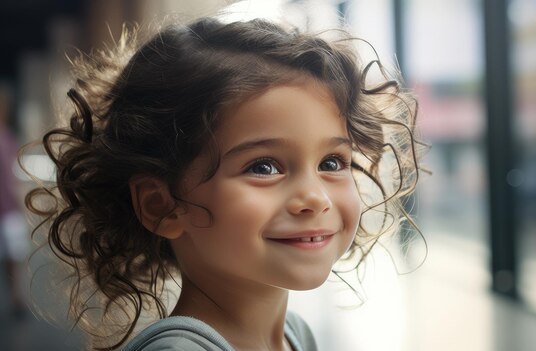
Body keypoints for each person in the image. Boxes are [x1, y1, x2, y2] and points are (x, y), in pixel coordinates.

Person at [24, 16, 421, 350]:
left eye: (332, 162)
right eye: (264, 167)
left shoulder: (294, 335)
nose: (314, 198)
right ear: (161, 205)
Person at [0, 85, 30, 319]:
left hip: (9, 208)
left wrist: (21, 202)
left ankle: (17, 297)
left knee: (15, 256)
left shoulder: (8, 137)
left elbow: (15, 173)